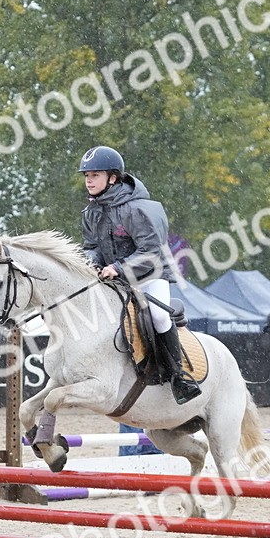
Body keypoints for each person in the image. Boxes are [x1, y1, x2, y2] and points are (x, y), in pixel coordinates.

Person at [79, 145, 200, 404]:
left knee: (156, 315)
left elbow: (151, 252)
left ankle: (179, 376)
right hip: (117, 279)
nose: (88, 180)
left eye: (95, 175)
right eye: (86, 175)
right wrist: (92, 265)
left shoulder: (141, 208)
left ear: (113, 177)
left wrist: (118, 267)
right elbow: (92, 247)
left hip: (149, 275)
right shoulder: (90, 212)